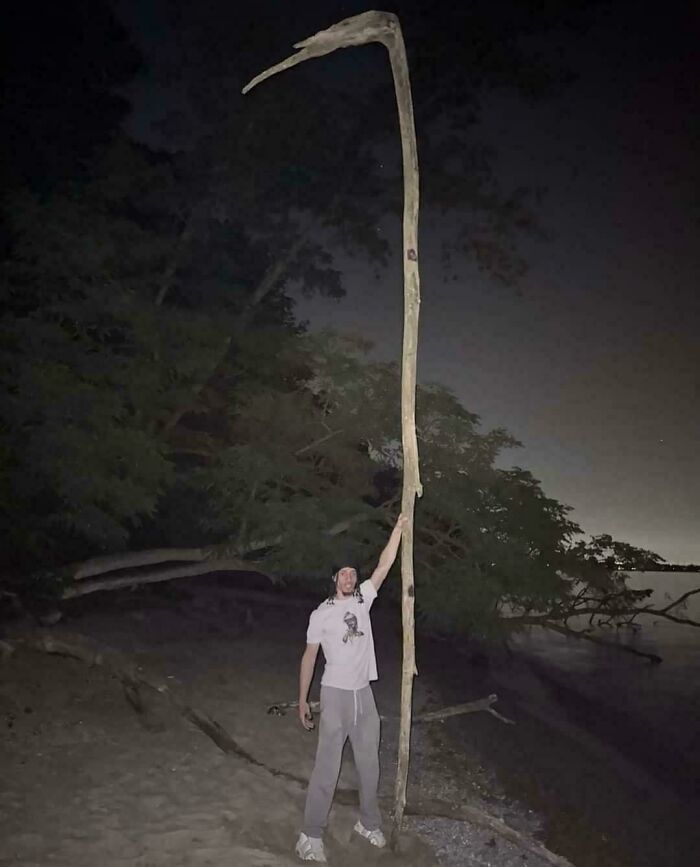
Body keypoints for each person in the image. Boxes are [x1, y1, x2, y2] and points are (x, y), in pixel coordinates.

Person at [295, 514, 409, 863]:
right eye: (343, 573)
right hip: (335, 694)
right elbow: (309, 658)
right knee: (327, 767)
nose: (349, 577)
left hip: (365, 698)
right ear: (334, 579)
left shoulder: (363, 600)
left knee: (369, 765)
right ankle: (309, 835)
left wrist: (399, 530)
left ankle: (368, 823)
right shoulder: (321, 614)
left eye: (352, 573)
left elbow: (385, 564)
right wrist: (302, 700)